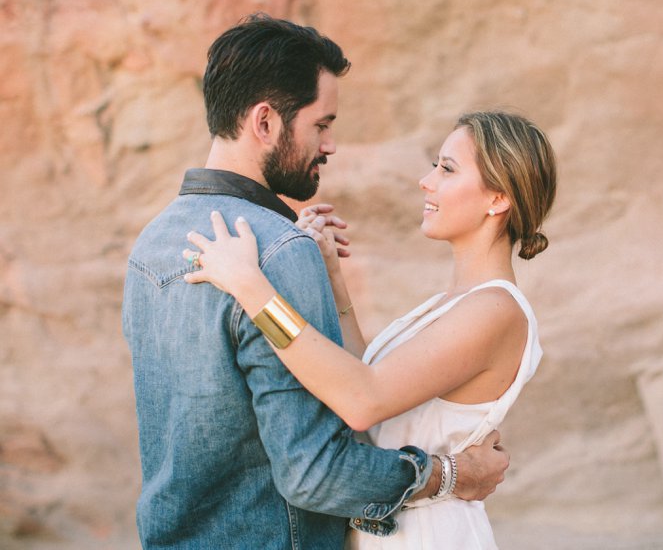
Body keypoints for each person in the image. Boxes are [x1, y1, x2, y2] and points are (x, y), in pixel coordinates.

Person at [121, 14, 509, 550]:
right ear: (265, 123)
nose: (329, 145)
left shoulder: (152, 244)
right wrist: (451, 474)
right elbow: (316, 474)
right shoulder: (279, 251)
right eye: (321, 125)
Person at [182, 109, 557, 549]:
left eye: (447, 169)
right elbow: (365, 381)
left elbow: (362, 401)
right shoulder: (456, 303)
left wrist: (251, 288)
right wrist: (332, 278)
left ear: (498, 199)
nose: (426, 180)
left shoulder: (495, 309)